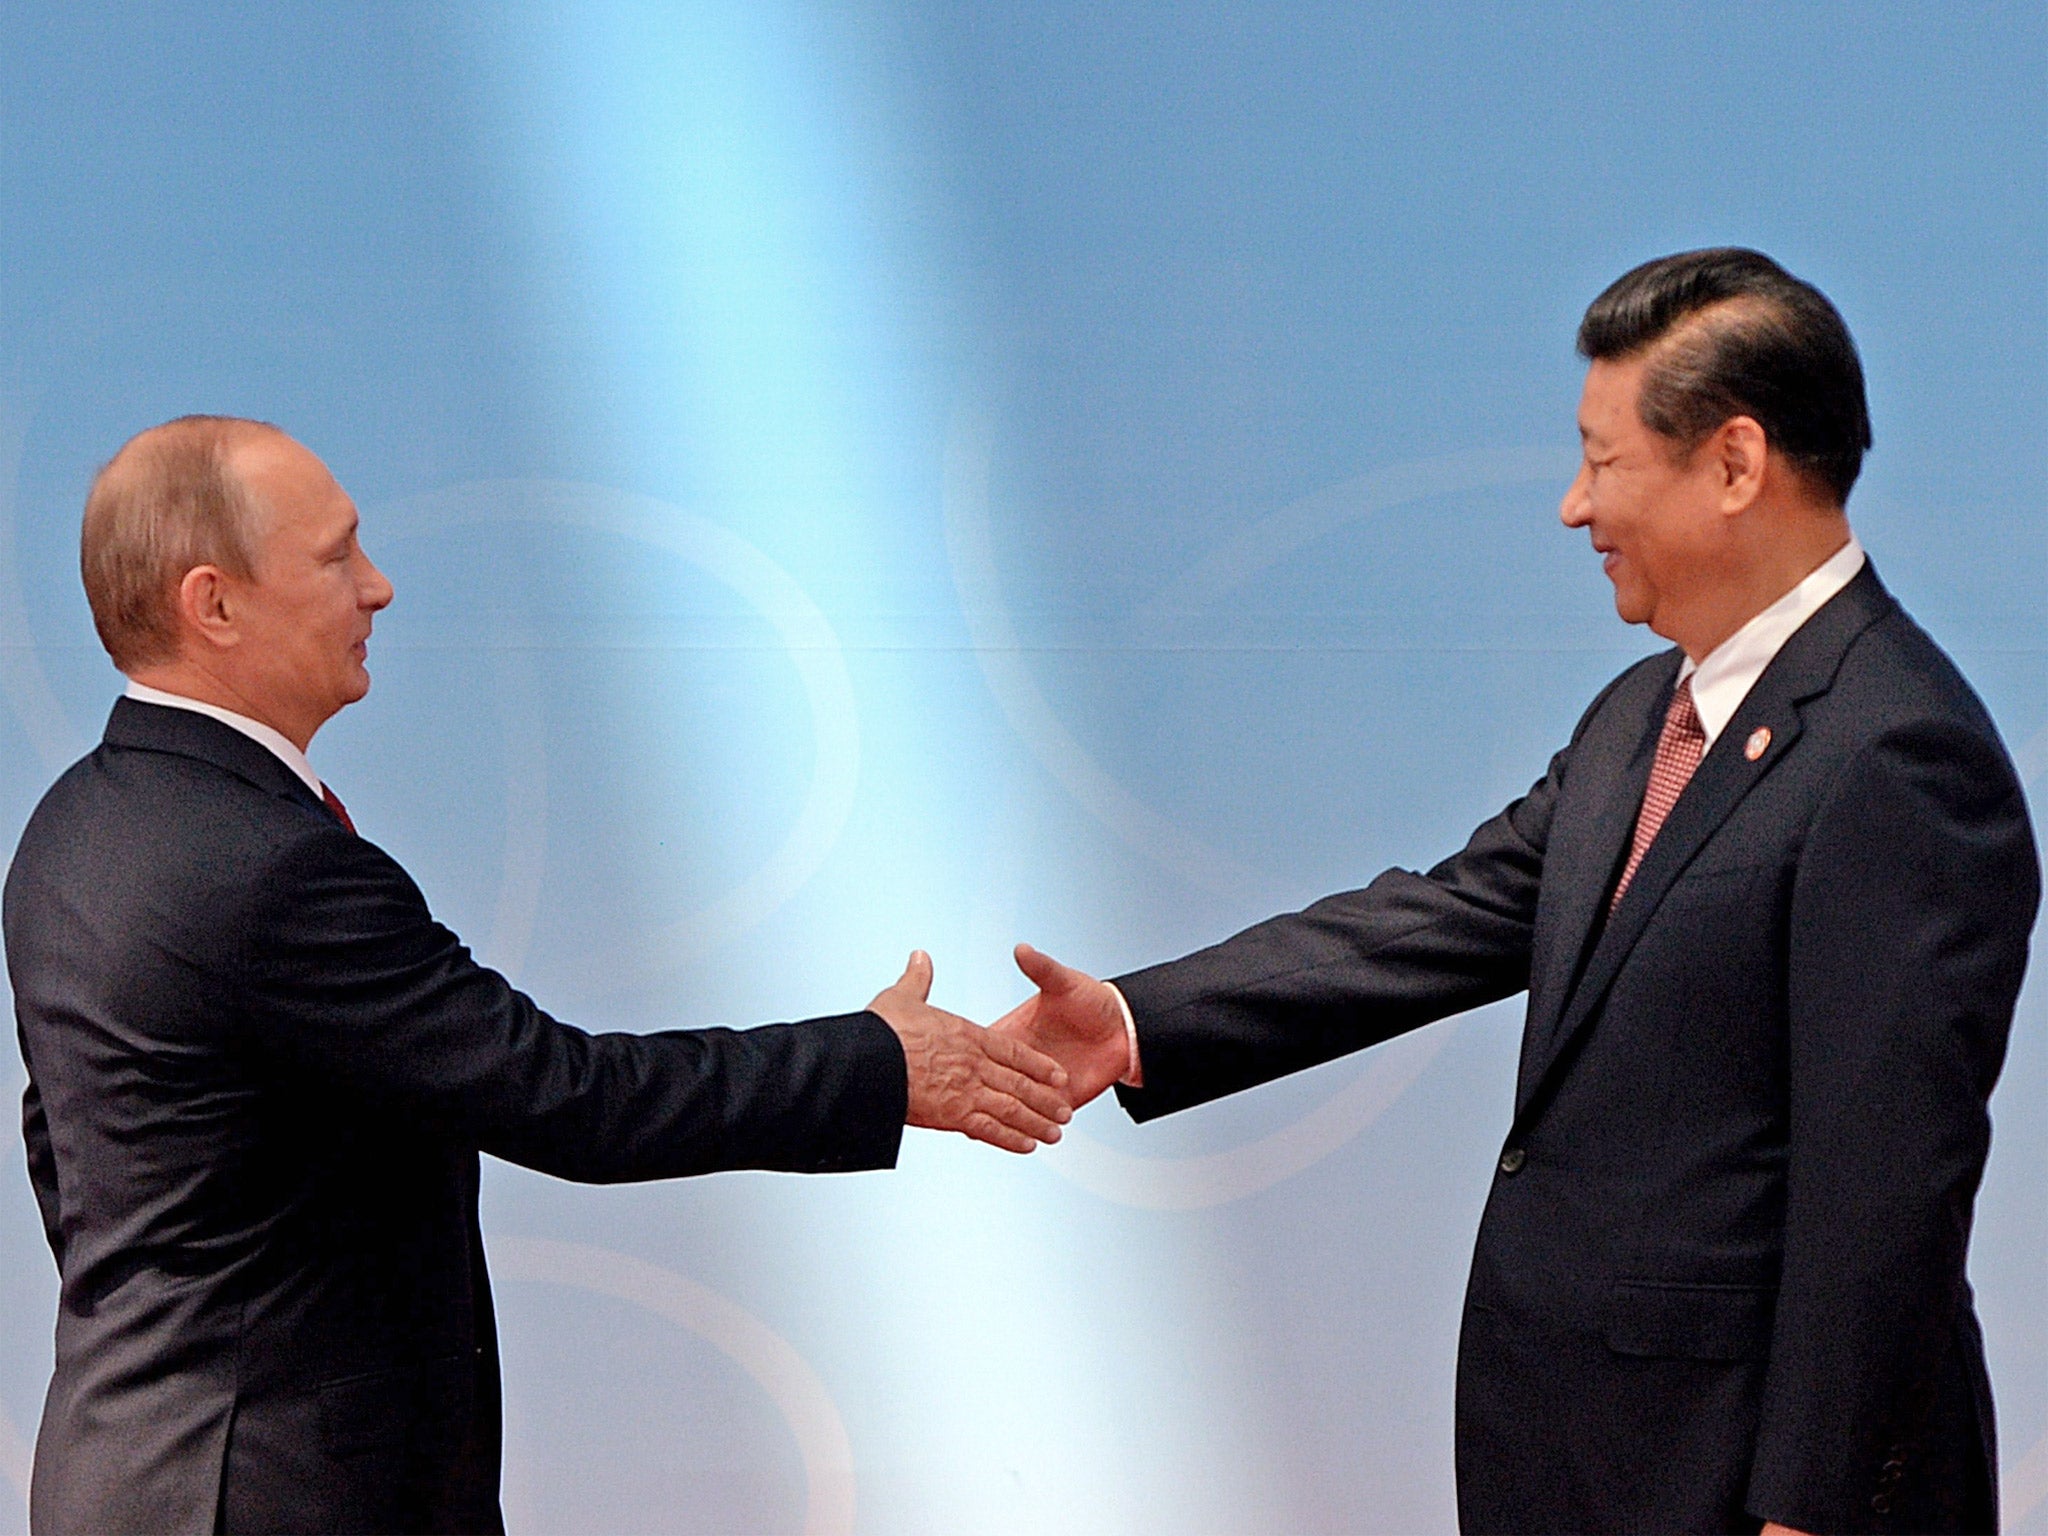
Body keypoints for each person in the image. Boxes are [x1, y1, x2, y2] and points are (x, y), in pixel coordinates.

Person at [997, 249, 2037, 1534]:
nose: (1568, 506)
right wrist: (1133, 1021)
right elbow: (1440, 918)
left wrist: (1805, 1512)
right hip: (1573, 1459)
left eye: (1603, 463)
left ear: (1732, 464)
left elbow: (1880, 1192)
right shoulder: (1639, 719)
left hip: (1739, 1488)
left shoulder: (1896, 753)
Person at [4, 416, 1073, 1535]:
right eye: (334, 557)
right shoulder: (272, 870)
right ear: (212, 603)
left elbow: (74, 1169)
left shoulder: (69, 832)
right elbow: (572, 1101)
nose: (377, 588)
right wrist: (878, 1063)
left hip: (122, 1479)